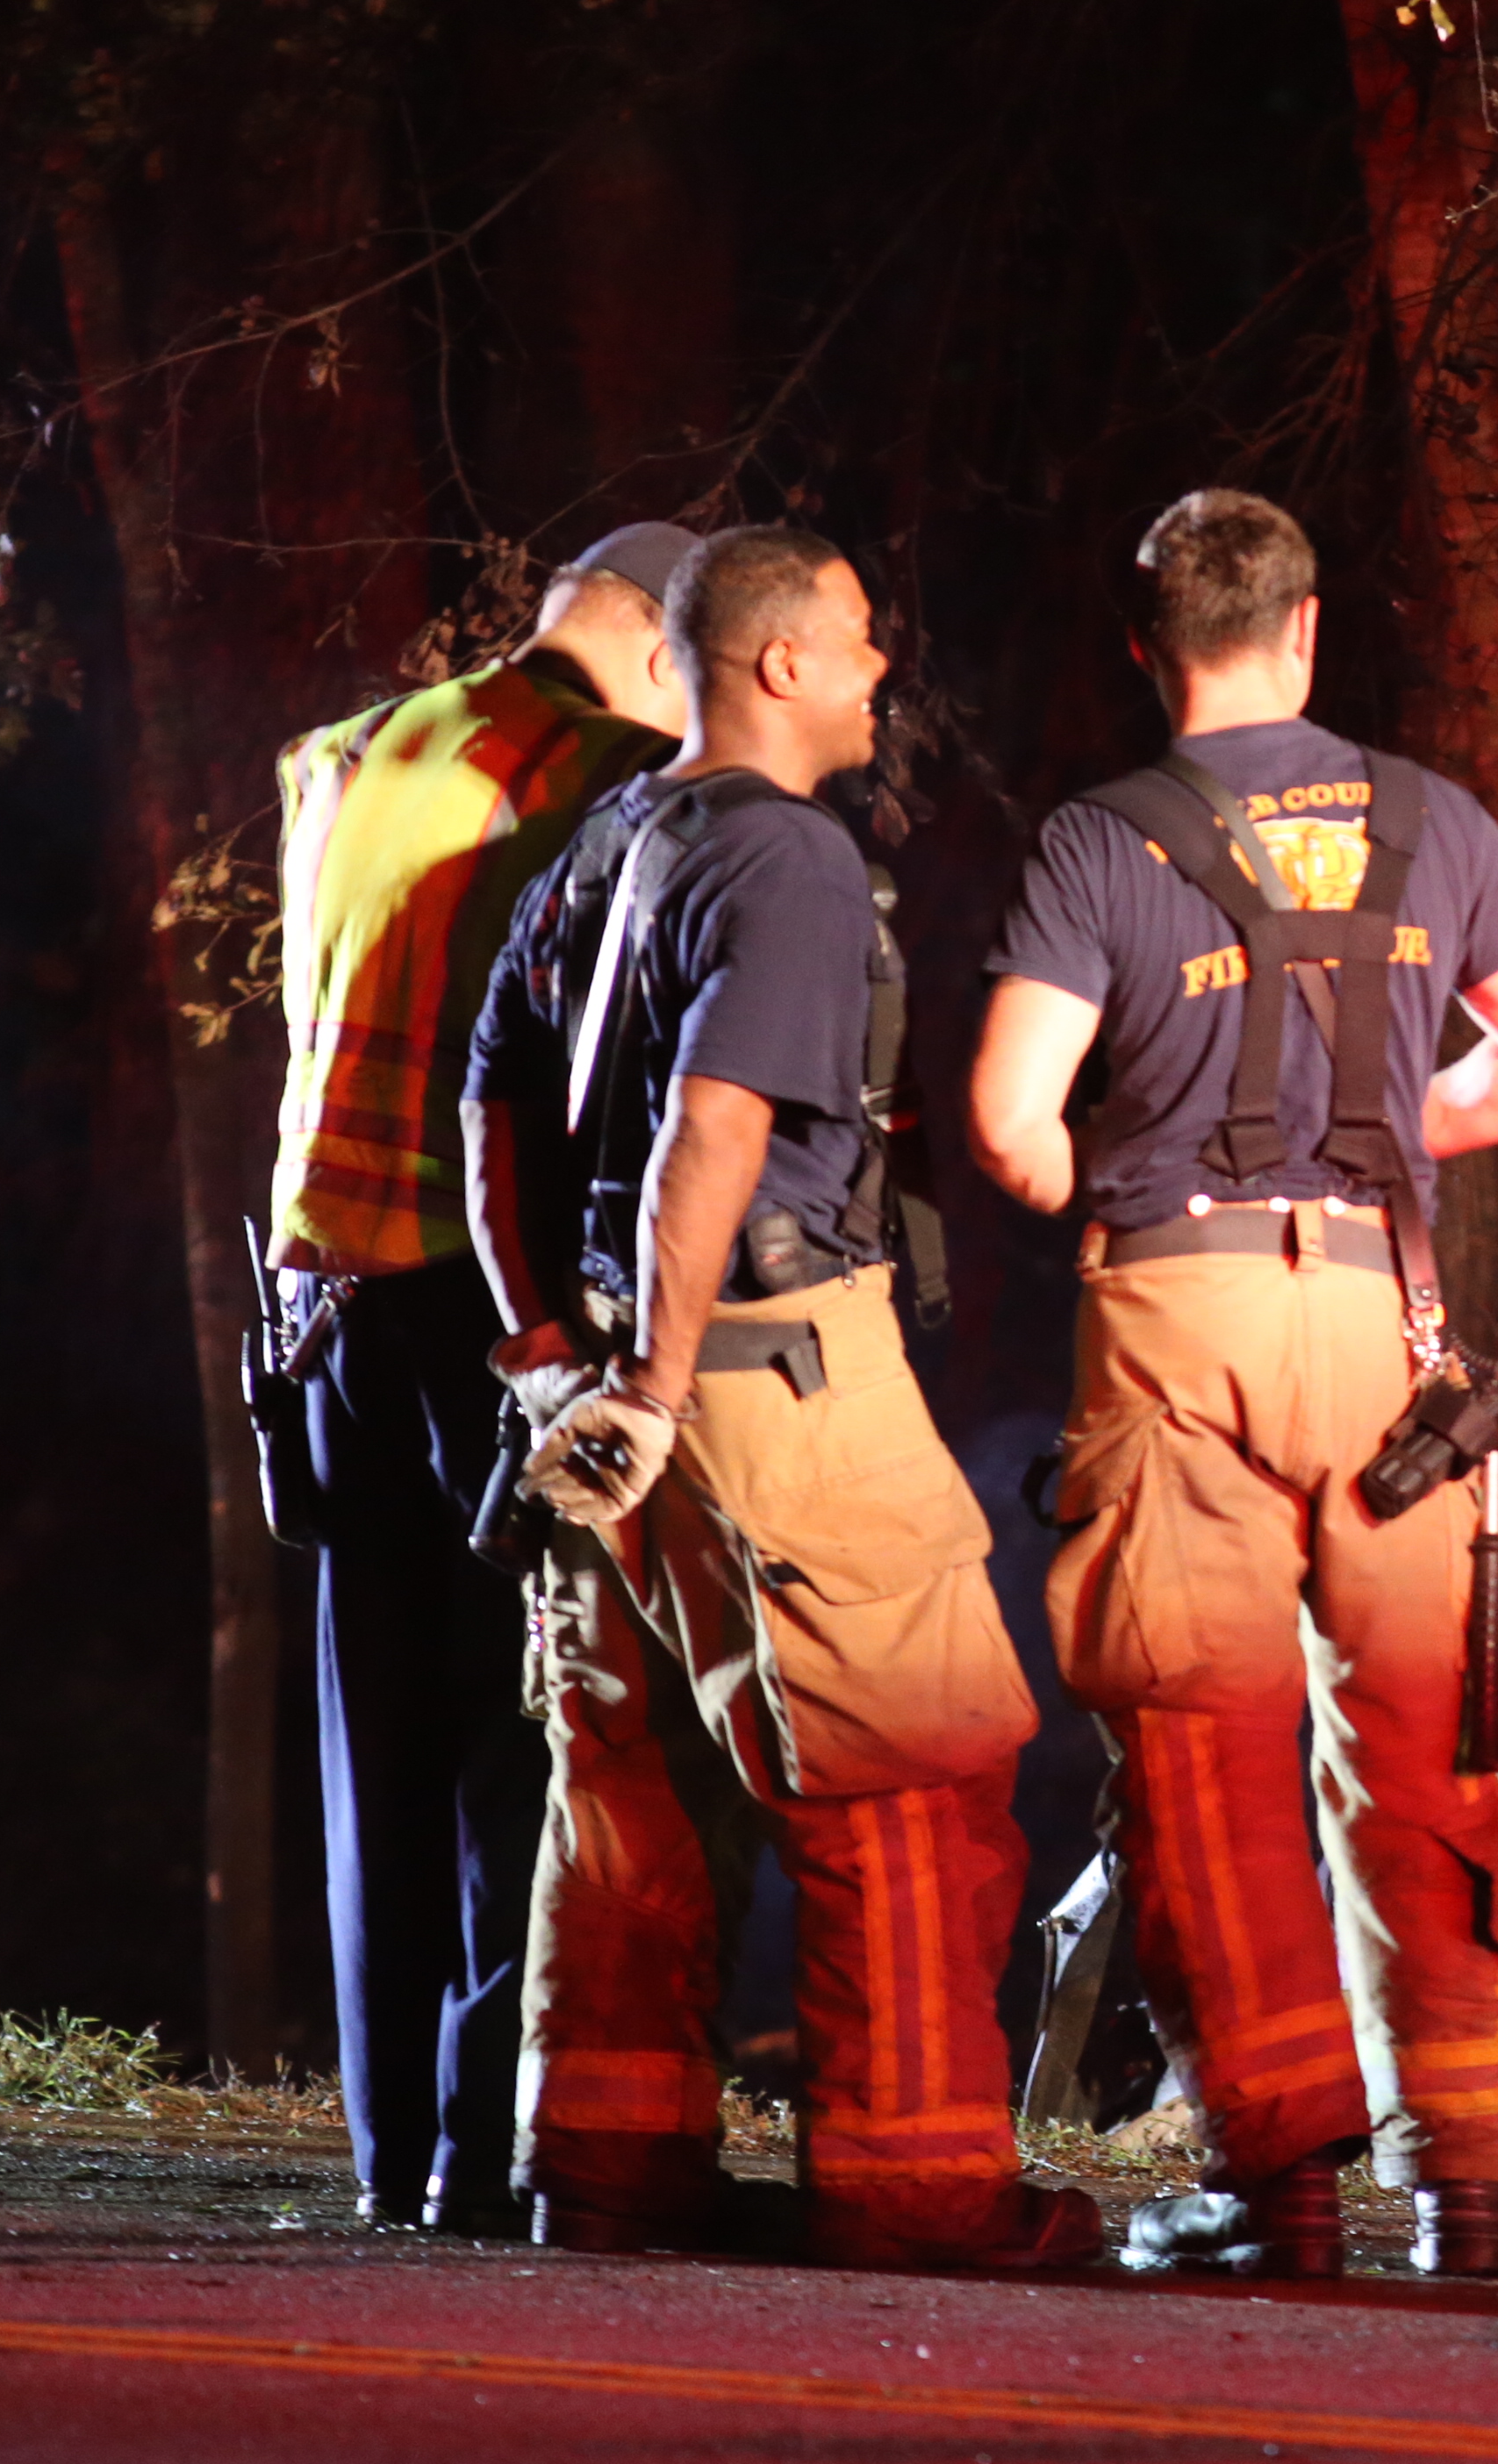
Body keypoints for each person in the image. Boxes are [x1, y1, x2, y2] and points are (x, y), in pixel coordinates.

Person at [963, 488, 1498, 2276]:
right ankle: (1473, 2189)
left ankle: (1284, 2191)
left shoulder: (1102, 842)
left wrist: (1102, 1174)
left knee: (1204, 1760)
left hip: (1186, 1331)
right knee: (1429, 1759)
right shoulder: (1437, 821)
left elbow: (1011, 1120)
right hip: (1389, 1341)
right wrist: (1409, 1123)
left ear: (1146, 647)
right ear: (1308, 629)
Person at [459, 521, 1095, 2267]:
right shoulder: (789, 863)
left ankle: (606, 2173)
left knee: (628, 1783)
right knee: (913, 1775)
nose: (885, 669)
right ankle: (917, 2199)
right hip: (760, 1375)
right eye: (862, 639)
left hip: (602, 1399)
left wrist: (549, 1358)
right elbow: (716, 1128)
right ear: (776, 662)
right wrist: (665, 1378)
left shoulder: (599, 843)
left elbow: (489, 1107)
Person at [265, 521, 693, 2231]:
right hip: (478, 1311)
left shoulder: (356, 751)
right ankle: (478, 2146)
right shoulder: (603, 772)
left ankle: (387, 2156)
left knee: (374, 1738)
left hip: (320, 1306)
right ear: (660, 648)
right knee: (524, 1735)